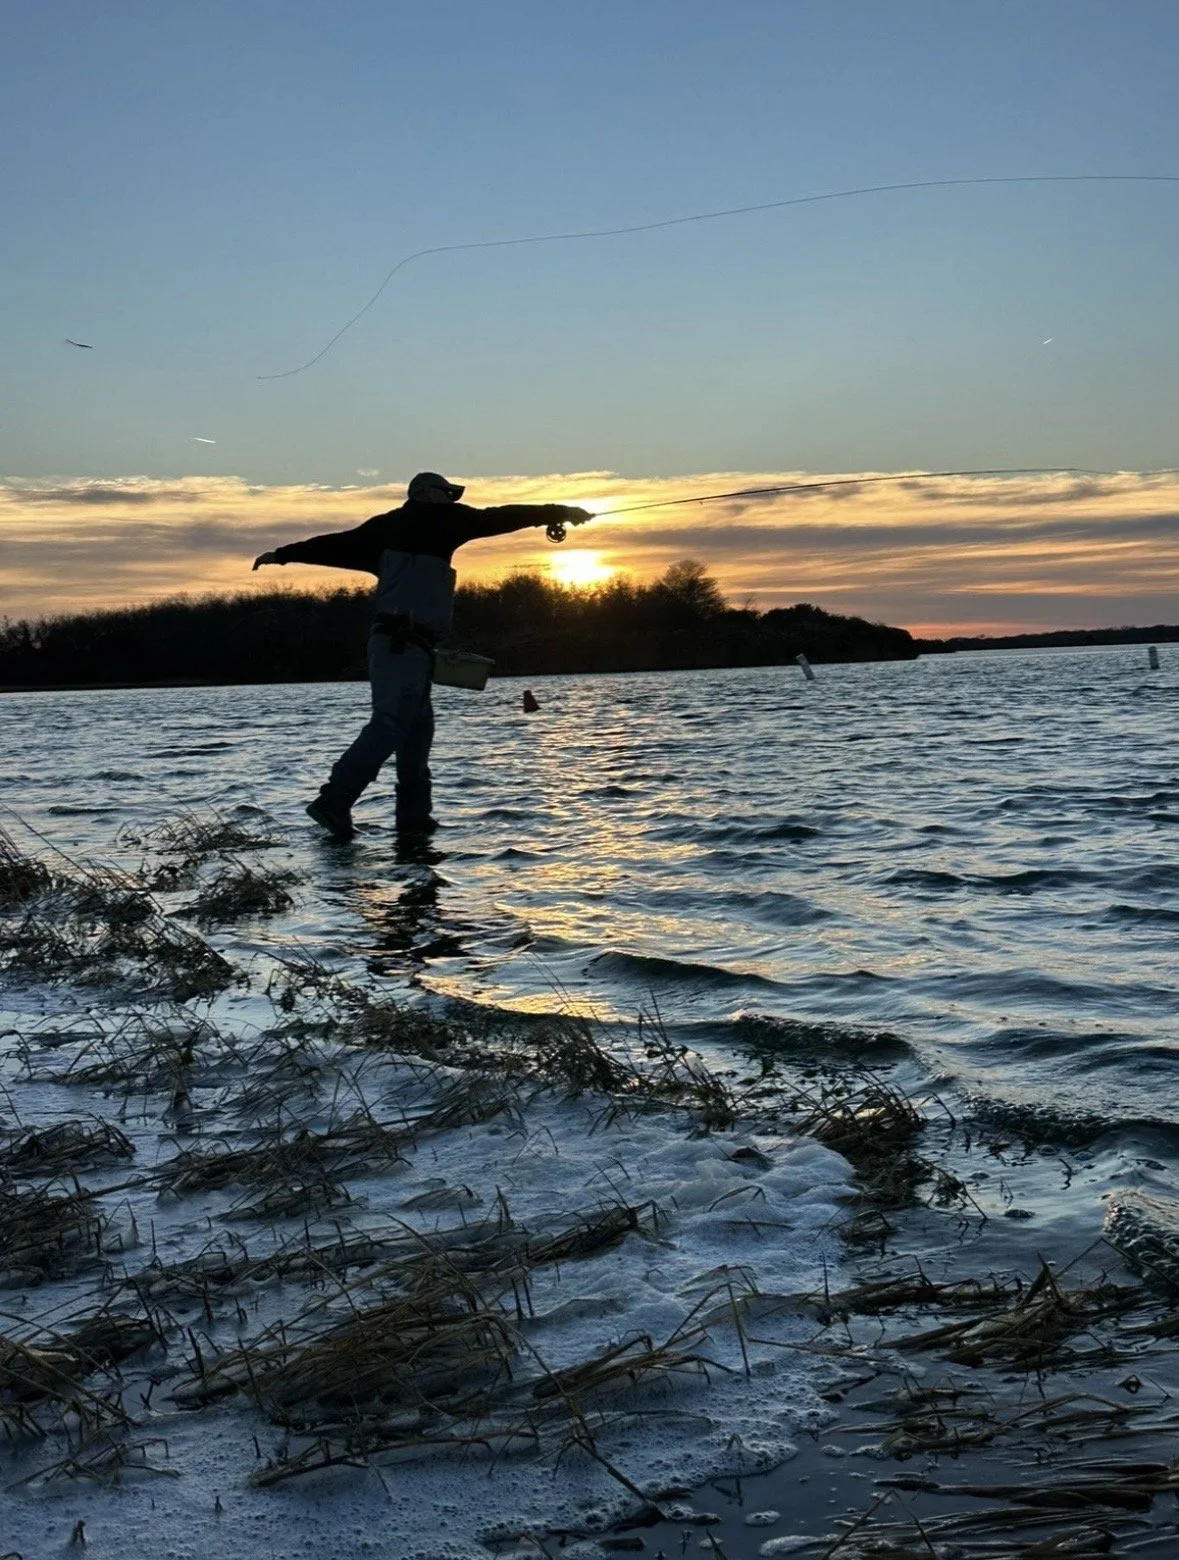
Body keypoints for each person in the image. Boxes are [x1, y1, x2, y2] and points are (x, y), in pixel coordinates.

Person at [253, 472, 591, 841]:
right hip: (400, 645)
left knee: (415, 736)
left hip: (407, 647)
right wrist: (562, 510)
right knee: (390, 725)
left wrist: (284, 554)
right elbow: (502, 516)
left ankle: (414, 825)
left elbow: (334, 544)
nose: (452, 499)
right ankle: (334, 801)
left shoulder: (383, 528)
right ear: (424, 494)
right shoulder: (443, 521)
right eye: (446, 493)